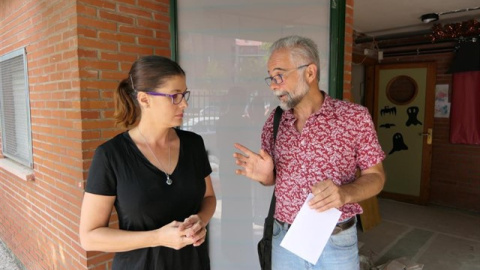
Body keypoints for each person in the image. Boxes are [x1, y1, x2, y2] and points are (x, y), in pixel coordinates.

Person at [233, 35, 386, 269]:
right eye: (271, 78)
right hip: (284, 238)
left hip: (335, 240)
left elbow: (376, 177)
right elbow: (273, 180)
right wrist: (267, 177)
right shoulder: (274, 122)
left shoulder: (354, 117)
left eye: (280, 75)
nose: (274, 85)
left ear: (310, 73)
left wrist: (344, 194)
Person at [79, 55, 216, 270]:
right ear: (144, 99)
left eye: (184, 94)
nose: (185, 103)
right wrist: (157, 237)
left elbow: (209, 197)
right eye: (175, 96)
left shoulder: (194, 144)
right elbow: (89, 237)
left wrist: (200, 220)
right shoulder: (110, 156)